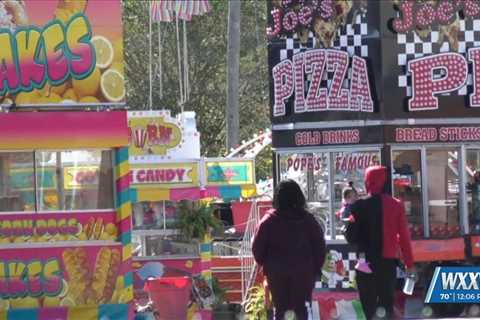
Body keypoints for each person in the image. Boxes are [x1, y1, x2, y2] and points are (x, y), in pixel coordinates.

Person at [252, 179, 326, 320]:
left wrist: (266, 263)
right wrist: (315, 268)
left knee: (281, 309)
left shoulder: (268, 221)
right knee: (301, 310)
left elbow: (257, 249)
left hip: (277, 273)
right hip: (304, 273)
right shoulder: (308, 220)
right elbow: (319, 247)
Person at [348, 166, 414, 319]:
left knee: (369, 307)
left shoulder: (358, 206)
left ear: (367, 182)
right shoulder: (396, 205)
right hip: (387, 263)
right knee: (386, 305)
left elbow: (350, 237)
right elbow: (404, 237)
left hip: (365, 264)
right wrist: (409, 264)